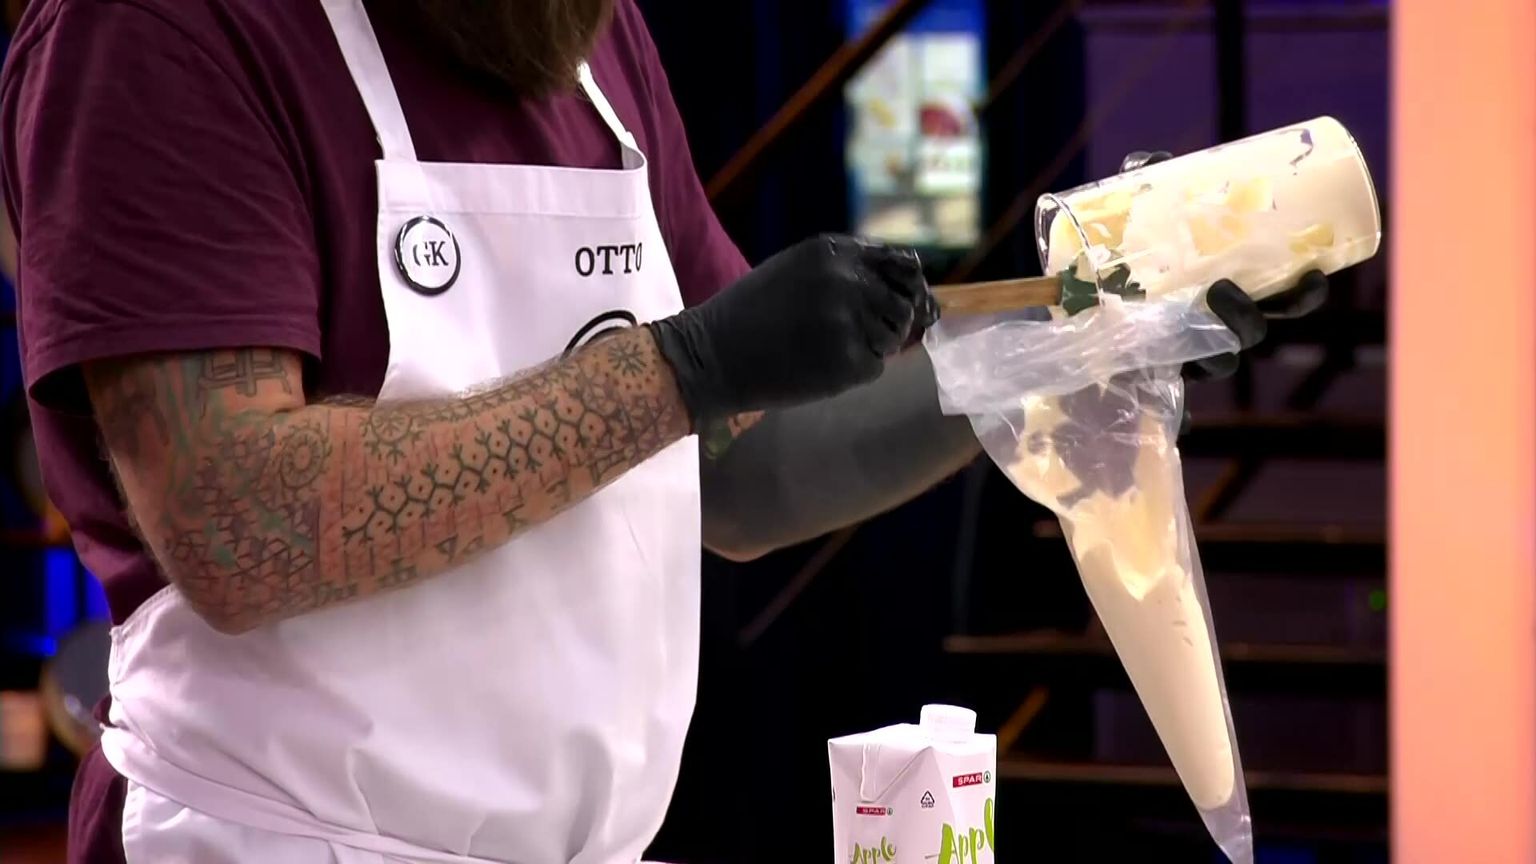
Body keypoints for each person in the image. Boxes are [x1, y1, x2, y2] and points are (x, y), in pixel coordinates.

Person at [0, 1, 1326, 861]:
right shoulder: (160, 34)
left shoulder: (592, 46)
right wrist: (685, 366)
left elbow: (742, 473)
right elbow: (241, 523)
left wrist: (1079, 338)